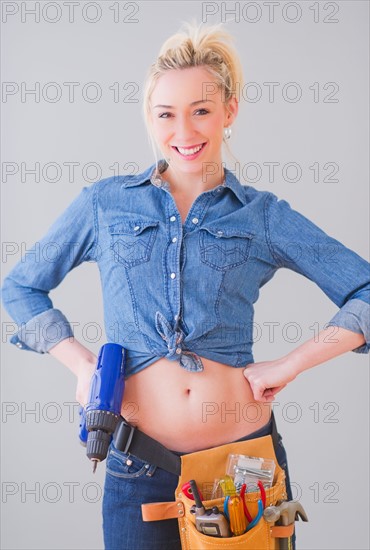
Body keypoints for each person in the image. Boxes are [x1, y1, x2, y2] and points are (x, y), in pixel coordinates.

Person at [1, 20, 369, 550]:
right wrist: (82, 366)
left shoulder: (262, 216)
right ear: (150, 118)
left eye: (201, 111)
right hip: (137, 465)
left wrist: (290, 365)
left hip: (243, 470)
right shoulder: (105, 204)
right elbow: (19, 287)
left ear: (229, 112)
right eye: (166, 114)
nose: (184, 131)